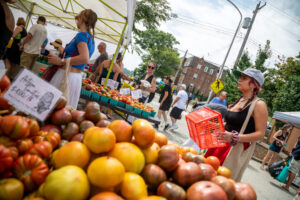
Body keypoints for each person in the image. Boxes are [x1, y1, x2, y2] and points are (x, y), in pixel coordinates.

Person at [205, 68, 268, 181]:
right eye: (240, 77)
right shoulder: (239, 100)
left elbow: (260, 134)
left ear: (254, 84)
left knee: (218, 184)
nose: (239, 80)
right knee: (203, 176)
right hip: (218, 146)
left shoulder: (259, 104)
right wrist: (214, 126)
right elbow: (230, 123)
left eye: (244, 78)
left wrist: (234, 137)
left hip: (232, 151)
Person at [47, 9, 97, 109]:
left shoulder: (81, 35)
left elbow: (84, 58)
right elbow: (79, 56)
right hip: (75, 78)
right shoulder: (91, 39)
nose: (77, 21)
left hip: (66, 77)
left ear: (83, 19)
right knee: (64, 112)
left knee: (50, 107)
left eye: (78, 18)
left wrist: (60, 61)